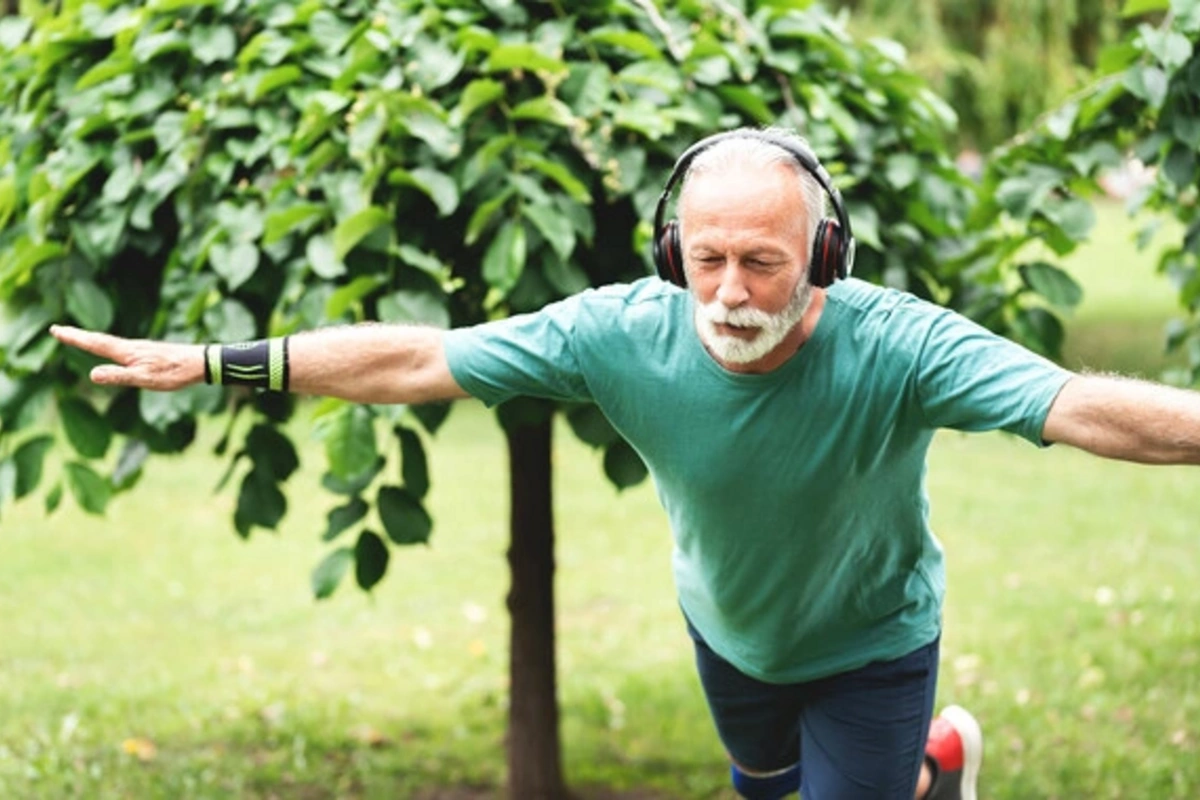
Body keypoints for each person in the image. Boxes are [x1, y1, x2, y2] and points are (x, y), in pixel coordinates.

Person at [49, 127, 1200, 800]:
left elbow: (1078, 404)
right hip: (729, 634)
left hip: (872, 642)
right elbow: (414, 357)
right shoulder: (618, 330)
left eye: (764, 259)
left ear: (826, 255)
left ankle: (911, 755)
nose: (733, 291)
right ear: (670, 250)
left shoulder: (898, 347)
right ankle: (933, 773)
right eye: (707, 258)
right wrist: (212, 360)